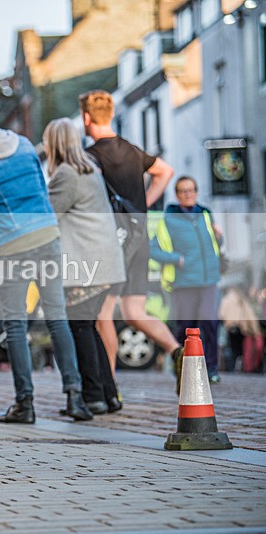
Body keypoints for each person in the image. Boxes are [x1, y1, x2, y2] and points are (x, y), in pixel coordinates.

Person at [0, 93, 93, 424]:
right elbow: (41, 190)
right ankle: (75, 397)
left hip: (9, 246)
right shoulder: (24, 144)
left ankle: (24, 403)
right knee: (57, 318)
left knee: (16, 325)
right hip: (47, 235)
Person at [79, 90, 182, 392]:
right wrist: (143, 206)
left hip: (113, 241)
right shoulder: (132, 150)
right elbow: (165, 171)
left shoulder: (92, 156)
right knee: (135, 313)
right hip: (139, 235)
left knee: (102, 314)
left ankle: (108, 387)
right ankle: (178, 351)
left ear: (87, 118)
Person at [44, 118, 126, 414]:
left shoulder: (67, 174)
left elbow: (48, 216)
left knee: (80, 327)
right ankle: (108, 394)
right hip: (105, 262)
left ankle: (93, 395)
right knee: (88, 327)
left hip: (86, 266)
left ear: (54, 144)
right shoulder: (90, 169)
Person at [151, 176, 223, 385]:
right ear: (177, 194)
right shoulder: (168, 219)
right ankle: (185, 368)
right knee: (186, 327)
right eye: (183, 191)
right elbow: (153, 249)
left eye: (191, 190)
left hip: (209, 278)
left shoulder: (205, 214)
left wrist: (220, 236)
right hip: (184, 282)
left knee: (209, 322)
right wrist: (177, 260)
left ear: (196, 191)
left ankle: (211, 369)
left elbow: (215, 244)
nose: (188, 194)